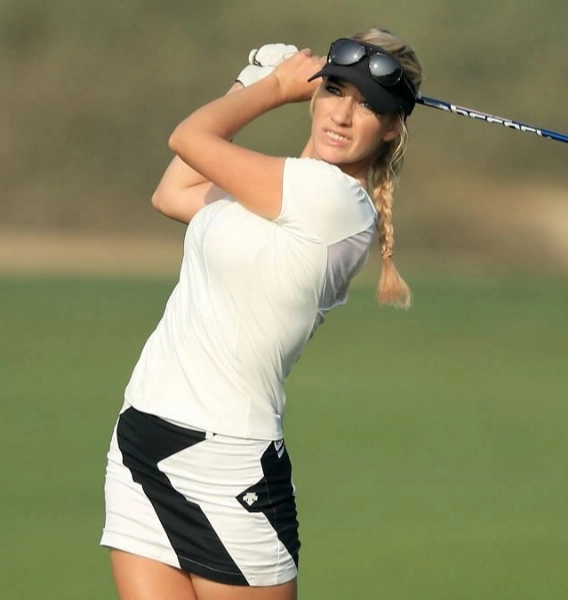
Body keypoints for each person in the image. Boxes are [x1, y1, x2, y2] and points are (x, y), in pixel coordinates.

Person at [100, 28, 423, 600]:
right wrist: (249, 78)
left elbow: (188, 136)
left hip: (229, 466)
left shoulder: (336, 204)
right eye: (335, 91)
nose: (342, 115)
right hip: (141, 439)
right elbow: (172, 192)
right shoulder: (276, 188)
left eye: (368, 105)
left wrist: (271, 87)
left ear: (392, 127)